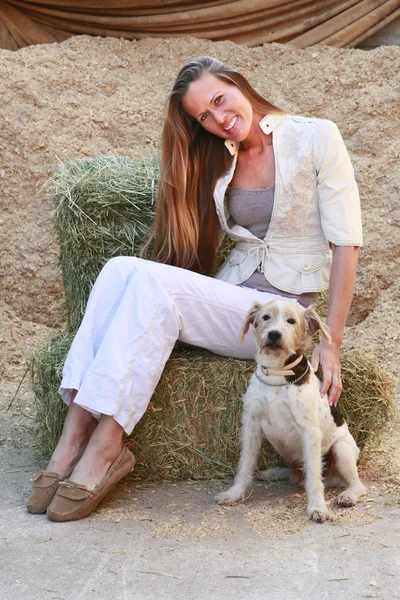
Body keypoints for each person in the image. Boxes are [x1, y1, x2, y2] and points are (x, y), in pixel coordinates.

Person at [27, 56, 363, 521]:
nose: (220, 119)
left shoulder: (317, 135)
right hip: (232, 301)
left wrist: (332, 343)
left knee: (146, 280)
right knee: (121, 268)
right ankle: (70, 440)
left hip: (277, 316)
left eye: (220, 100)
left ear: (237, 82)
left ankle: (107, 447)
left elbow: (347, 243)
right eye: (204, 116)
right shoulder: (218, 158)